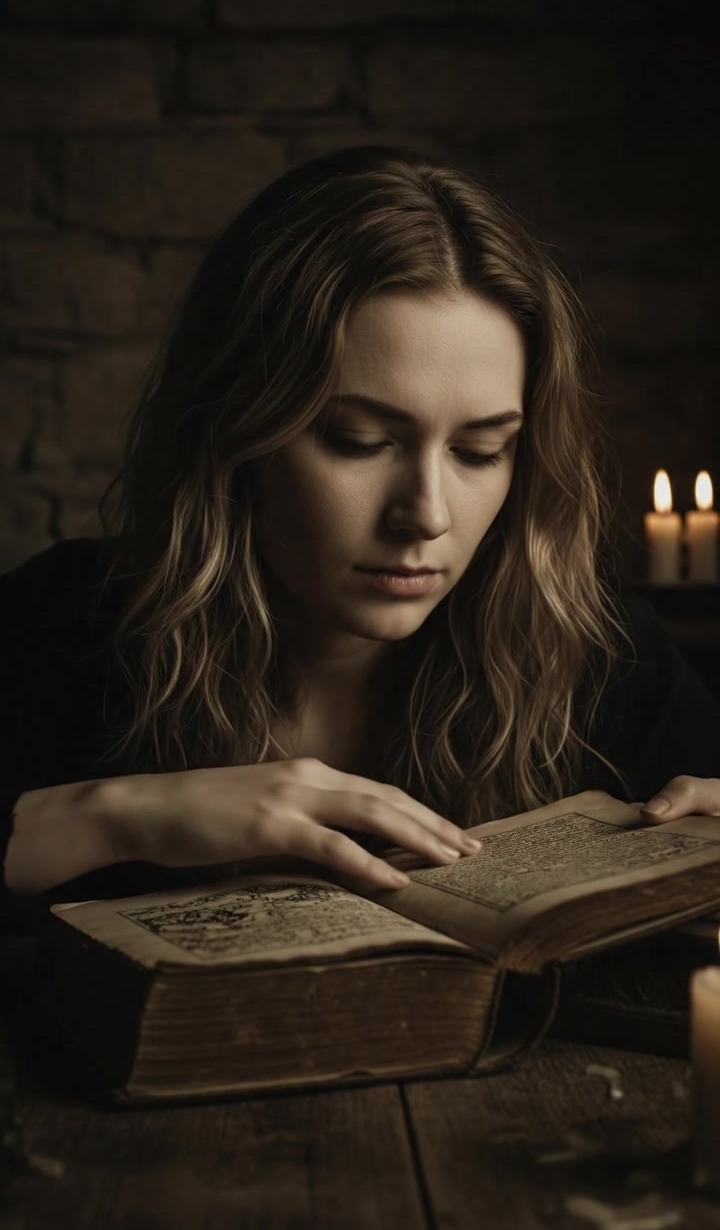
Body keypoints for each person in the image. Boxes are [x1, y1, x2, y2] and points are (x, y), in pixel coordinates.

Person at [2, 145, 719, 922]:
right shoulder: (57, 630)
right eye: (358, 441)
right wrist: (115, 817)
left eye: (482, 451)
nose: (428, 514)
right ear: (237, 429)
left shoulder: (601, 662)